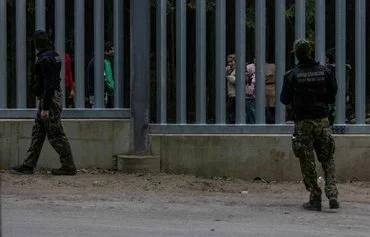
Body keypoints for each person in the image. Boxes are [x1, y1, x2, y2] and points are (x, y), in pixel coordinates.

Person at [280, 39, 339, 211]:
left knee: (307, 161)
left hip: (303, 123)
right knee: (327, 157)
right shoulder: (325, 71)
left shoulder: (292, 75)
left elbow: (284, 99)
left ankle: (315, 197)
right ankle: (332, 193)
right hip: (322, 120)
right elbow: (333, 92)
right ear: (310, 51)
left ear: (297, 54)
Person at [10, 30, 77, 175]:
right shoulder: (54, 55)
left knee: (56, 134)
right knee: (38, 132)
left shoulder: (45, 59)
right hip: (50, 98)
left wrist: (45, 107)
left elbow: (49, 83)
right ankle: (28, 165)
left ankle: (69, 165)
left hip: (49, 99)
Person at [85, 41, 115, 108]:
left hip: (99, 92)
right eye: (111, 49)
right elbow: (103, 77)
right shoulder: (99, 62)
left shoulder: (99, 60)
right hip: (96, 93)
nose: (113, 51)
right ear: (106, 51)